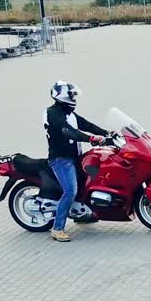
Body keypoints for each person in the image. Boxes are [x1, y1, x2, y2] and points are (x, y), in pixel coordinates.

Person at [44, 80, 108, 242]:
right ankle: (57, 228)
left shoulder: (69, 113)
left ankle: (81, 214)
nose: (74, 98)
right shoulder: (52, 114)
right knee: (71, 190)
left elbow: (86, 124)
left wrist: (107, 133)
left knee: (90, 180)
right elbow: (69, 132)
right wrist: (91, 138)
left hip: (75, 157)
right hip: (60, 160)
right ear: (62, 96)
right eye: (71, 95)